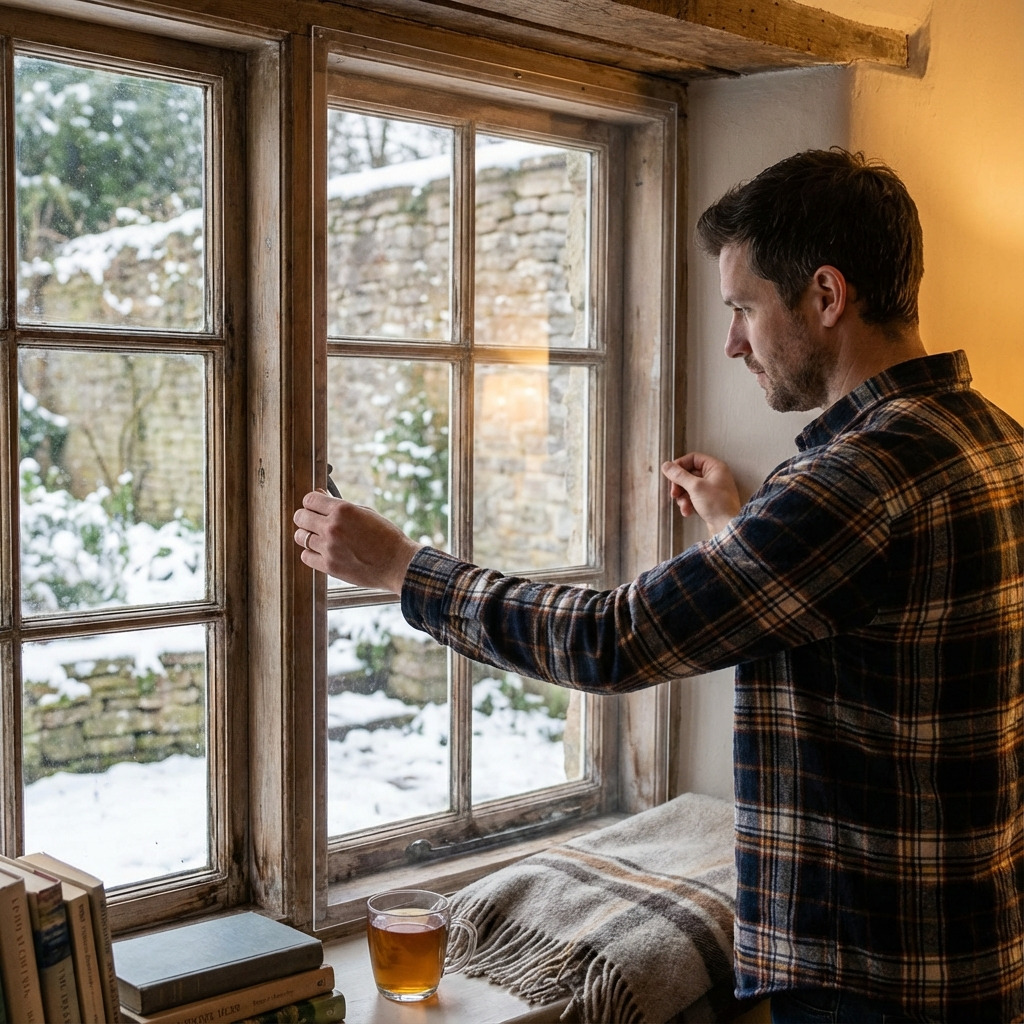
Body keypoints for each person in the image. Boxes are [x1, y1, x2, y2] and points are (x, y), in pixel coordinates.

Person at [293, 149, 1023, 1023]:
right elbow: (873, 610)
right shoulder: (992, 439)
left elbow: (612, 638)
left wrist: (406, 570)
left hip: (864, 977)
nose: (732, 342)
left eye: (745, 308)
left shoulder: (853, 482)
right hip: (969, 948)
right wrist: (736, 524)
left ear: (827, 297)